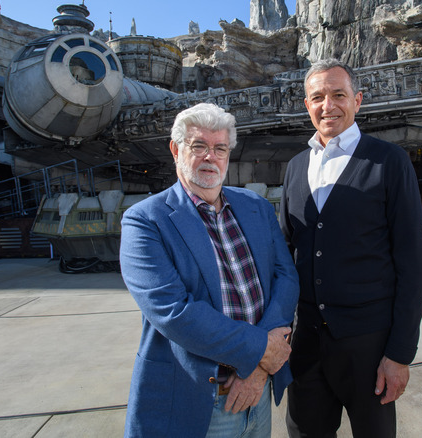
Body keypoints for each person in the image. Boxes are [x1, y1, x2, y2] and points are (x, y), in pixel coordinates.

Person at [119, 103, 300, 437]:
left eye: (219, 148)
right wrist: (262, 350)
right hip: (197, 400)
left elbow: (285, 277)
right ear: (176, 150)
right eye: (198, 146)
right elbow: (175, 312)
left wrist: (259, 370)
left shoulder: (256, 206)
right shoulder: (145, 221)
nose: (210, 157)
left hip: (257, 392)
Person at [279, 59, 422, 437]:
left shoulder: (389, 161)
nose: (327, 106)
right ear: (306, 105)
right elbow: (285, 254)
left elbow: (413, 264)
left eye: (338, 95)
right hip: (307, 344)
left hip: (369, 346)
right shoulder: (295, 167)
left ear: (358, 100)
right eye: (317, 97)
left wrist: (399, 355)